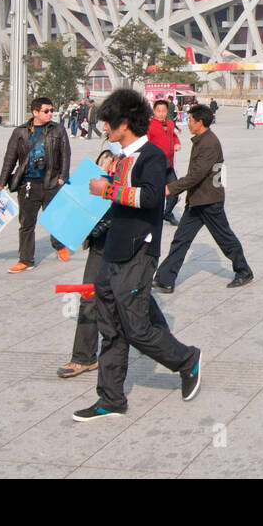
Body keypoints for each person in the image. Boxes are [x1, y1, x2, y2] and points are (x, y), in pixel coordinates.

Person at [73, 89, 202, 421]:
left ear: (124, 123)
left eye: (108, 124)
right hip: (112, 249)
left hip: (139, 252)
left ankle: (186, 360)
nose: (104, 130)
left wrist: (109, 189)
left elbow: (151, 199)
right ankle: (111, 398)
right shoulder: (119, 158)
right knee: (111, 328)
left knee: (137, 328)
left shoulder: (152, 157)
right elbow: (117, 202)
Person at [154, 104, 254, 292]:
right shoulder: (201, 139)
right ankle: (164, 279)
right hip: (197, 200)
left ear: (200, 122)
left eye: (191, 120)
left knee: (225, 238)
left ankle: (244, 271)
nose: (188, 123)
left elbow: (197, 175)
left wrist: (170, 189)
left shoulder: (209, 143)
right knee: (181, 240)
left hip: (209, 201)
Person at [58, 143, 116, 380]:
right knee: (89, 296)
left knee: (134, 305)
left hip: (126, 244)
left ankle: (172, 353)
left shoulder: (141, 158)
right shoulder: (106, 156)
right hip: (100, 241)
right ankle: (83, 357)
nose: (106, 130)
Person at [0, 96, 72, 273]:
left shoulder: (58, 130)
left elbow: (65, 155)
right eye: (46, 111)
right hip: (28, 185)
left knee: (55, 218)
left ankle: (59, 244)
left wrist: (62, 177)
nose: (50, 114)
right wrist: (1, 182)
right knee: (26, 224)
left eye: (52, 110)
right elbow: (10, 159)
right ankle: (26, 260)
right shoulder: (20, 132)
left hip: (51, 182)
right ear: (35, 112)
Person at [148, 99, 182, 226]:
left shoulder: (170, 123)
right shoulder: (150, 126)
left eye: (164, 111)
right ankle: (153, 216)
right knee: (155, 194)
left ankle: (166, 214)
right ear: (154, 111)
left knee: (174, 192)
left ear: (167, 111)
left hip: (169, 165)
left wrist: (177, 143)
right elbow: (146, 144)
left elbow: (173, 136)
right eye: (159, 111)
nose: (161, 114)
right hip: (155, 166)